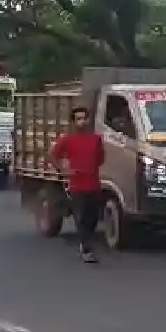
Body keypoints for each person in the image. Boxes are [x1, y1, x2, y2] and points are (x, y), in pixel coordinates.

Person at [51, 105, 105, 263]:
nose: (82, 122)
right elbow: (53, 156)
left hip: (94, 184)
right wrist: (63, 171)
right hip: (77, 186)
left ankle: (86, 242)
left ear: (89, 120)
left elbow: (101, 158)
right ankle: (86, 248)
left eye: (84, 118)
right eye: (78, 119)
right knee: (80, 218)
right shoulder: (67, 139)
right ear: (73, 122)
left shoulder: (96, 139)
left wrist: (92, 167)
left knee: (93, 218)